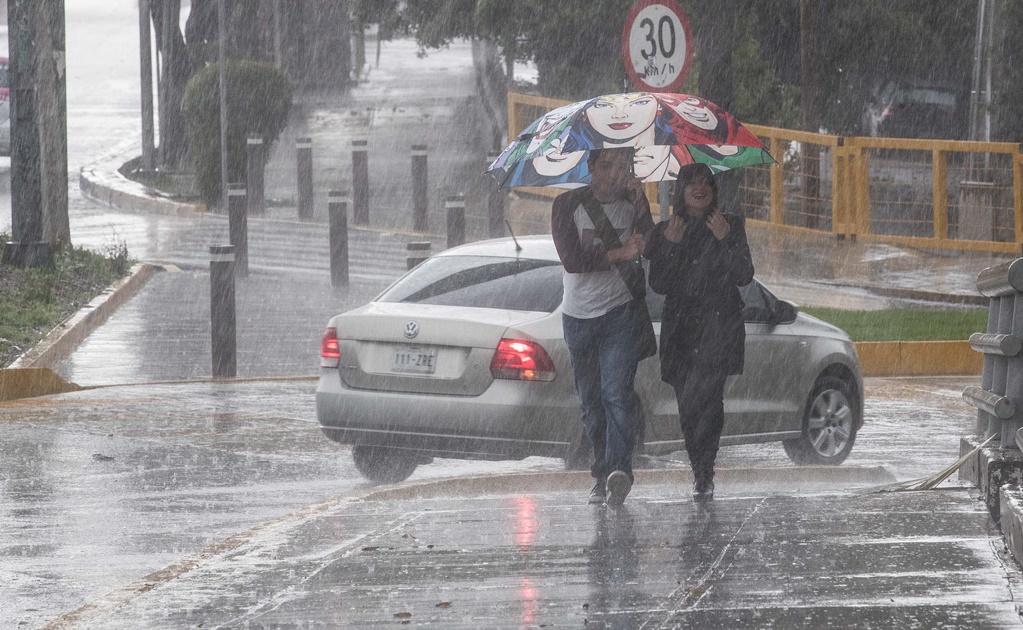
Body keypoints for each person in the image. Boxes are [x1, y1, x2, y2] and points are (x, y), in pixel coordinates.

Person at [551, 147, 655, 506]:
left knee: (616, 394)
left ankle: (619, 471)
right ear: (591, 166)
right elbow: (573, 260)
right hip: (578, 316)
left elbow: (652, 246)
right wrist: (620, 253)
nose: (614, 173)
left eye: (622, 165)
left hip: (620, 315)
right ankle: (600, 472)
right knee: (591, 402)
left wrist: (642, 205)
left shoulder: (632, 202)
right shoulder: (566, 206)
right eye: (607, 165)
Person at [645, 163, 754, 502]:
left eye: (706, 181)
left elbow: (744, 275)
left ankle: (705, 472)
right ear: (681, 190)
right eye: (691, 182)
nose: (699, 187)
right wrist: (671, 244)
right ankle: (699, 467)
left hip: (718, 327)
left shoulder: (731, 225)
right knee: (687, 404)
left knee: (709, 400)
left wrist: (724, 240)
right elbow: (659, 284)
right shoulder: (668, 228)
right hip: (681, 330)